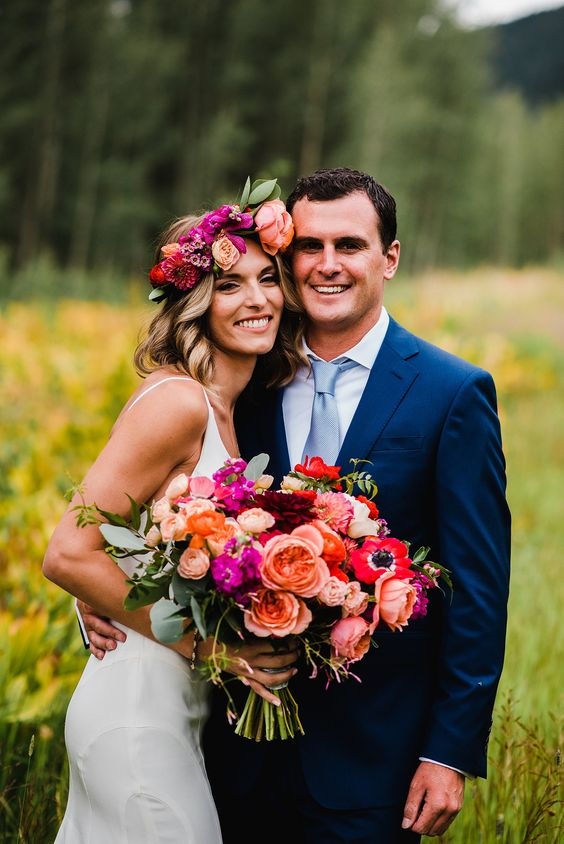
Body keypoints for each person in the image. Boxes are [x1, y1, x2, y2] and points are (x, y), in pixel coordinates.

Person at [81, 167, 511, 843]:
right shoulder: (243, 380)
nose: (328, 265)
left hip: (372, 765)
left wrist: (448, 751)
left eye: (351, 245)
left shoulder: (451, 393)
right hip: (228, 752)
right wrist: (103, 598)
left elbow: (480, 593)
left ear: (389, 258)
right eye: (309, 247)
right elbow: (147, 514)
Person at [42, 181, 304, 843]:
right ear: (194, 301)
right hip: (137, 712)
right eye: (230, 284)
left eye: (268, 279)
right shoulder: (178, 403)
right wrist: (217, 651)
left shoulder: (233, 414)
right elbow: (69, 552)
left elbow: (126, 543)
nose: (257, 299)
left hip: (177, 715)